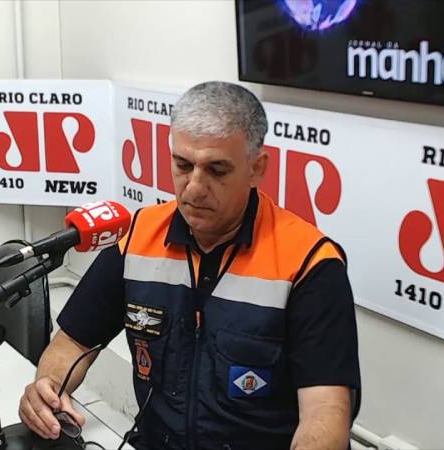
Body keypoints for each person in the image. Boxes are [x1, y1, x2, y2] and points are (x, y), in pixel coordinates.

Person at [19, 81, 361, 450]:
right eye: (183, 165)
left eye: (217, 170)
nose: (194, 188)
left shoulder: (309, 263)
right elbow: (72, 341)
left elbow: (326, 412)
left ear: (256, 168)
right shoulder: (139, 237)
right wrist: (48, 388)